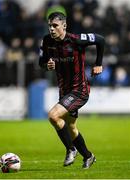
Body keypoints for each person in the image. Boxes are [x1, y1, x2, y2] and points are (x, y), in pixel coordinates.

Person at [39, 12, 105, 168]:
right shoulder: (47, 41)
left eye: (55, 25)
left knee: (53, 116)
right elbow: (41, 61)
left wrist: (98, 63)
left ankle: (71, 149)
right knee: (71, 127)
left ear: (64, 25)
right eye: (50, 26)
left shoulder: (76, 40)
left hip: (79, 90)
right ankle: (88, 156)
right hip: (64, 91)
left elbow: (100, 40)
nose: (52, 29)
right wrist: (46, 65)